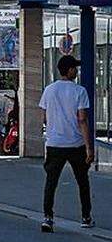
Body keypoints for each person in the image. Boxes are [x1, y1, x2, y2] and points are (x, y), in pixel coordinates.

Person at [40, 55, 94, 232]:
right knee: (82, 181)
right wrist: (88, 147)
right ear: (69, 70)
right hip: (75, 144)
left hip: (55, 143)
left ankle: (48, 218)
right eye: (75, 68)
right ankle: (86, 217)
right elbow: (82, 120)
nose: (76, 71)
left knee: (51, 181)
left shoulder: (49, 90)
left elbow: (44, 117)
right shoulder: (80, 91)